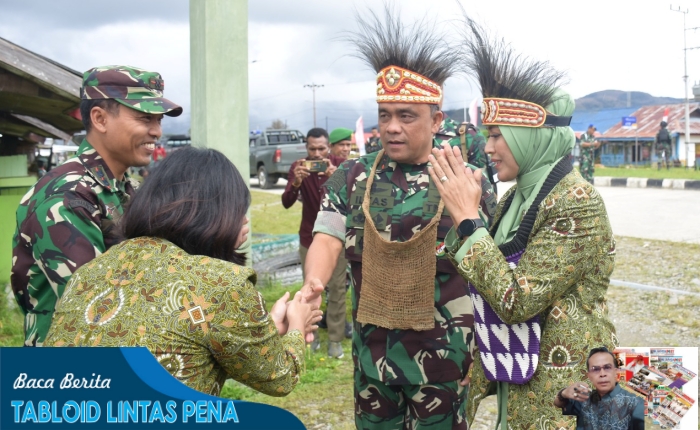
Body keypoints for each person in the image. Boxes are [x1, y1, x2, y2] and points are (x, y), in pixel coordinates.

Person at [303, 8, 497, 429]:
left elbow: (490, 263)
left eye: (406, 116)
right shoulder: (352, 176)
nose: (392, 128)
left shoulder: (465, 180)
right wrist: (313, 287)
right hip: (373, 361)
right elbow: (327, 237)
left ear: (436, 120)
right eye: (385, 115)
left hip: (444, 361)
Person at [430, 18, 617, 429]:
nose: (488, 147)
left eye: (498, 135)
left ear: (531, 137)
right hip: (521, 380)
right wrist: (468, 221)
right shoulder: (518, 195)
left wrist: (467, 221)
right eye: (487, 134)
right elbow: (487, 275)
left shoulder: (576, 201)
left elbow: (516, 301)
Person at [44, 147, 320, 397]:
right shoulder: (219, 284)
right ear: (211, 212)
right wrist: (297, 323)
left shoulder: (92, 270)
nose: (245, 219)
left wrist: (265, 326)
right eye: (238, 209)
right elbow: (279, 378)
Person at [11, 65, 182, 346]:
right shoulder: (65, 197)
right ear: (100, 119)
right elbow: (97, 305)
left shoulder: (126, 187)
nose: (157, 132)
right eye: (145, 118)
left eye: (159, 121)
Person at [282, 128, 349, 358]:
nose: (318, 154)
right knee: (309, 289)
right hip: (308, 237)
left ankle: (335, 339)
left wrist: (336, 178)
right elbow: (286, 203)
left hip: (336, 236)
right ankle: (310, 336)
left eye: (322, 148)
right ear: (306, 148)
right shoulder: (299, 166)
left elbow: (354, 199)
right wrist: (296, 182)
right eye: (312, 149)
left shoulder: (341, 164)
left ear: (329, 147)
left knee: (338, 288)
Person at [554, 347, 645, 430]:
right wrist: (563, 393)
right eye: (595, 369)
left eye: (607, 367)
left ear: (616, 372)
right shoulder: (584, 398)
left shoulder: (635, 403)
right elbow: (558, 403)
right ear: (589, 376)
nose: (602, 374)